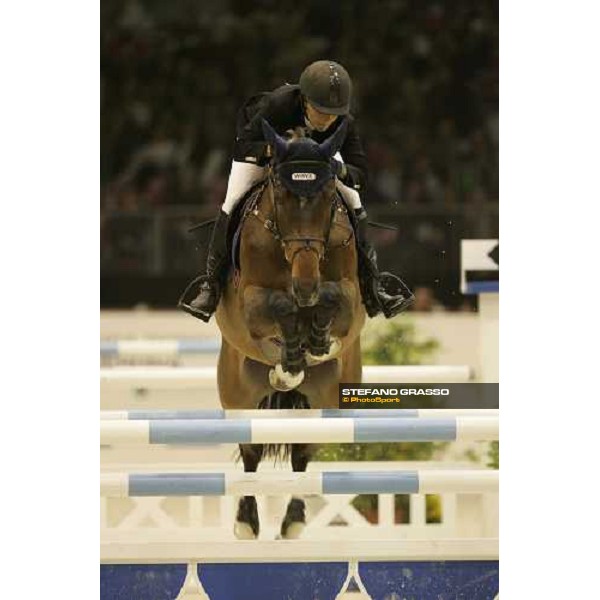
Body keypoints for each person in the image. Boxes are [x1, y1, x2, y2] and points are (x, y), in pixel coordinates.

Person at [181, 60, 413, 321]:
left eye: (334, 113)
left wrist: (340, 170)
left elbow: (360, 174)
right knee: (232, 201)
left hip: (320, 162)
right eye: (321, 111)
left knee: (354, 201)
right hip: (269, 155)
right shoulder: (278, 105)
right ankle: (210, 285)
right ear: (304, 100)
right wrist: (274, 151)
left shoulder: (343, 122)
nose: (327, 119)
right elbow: (244, 145)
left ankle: (373, 283)